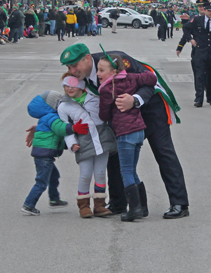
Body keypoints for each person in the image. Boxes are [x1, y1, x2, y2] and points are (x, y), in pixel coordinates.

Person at [61, 43, 189, 219]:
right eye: (69, 67)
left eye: (75, 65)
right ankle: (118, 202)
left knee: (163, 152)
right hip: (121, 116)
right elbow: (69, 101)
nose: (72, 70)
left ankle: (179, 203)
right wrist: (45, 125)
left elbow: (148, 81)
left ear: (88, 58)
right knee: (114, 155)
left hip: (150, 108)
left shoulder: (116, 61)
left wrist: (135, 100)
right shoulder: (81, 76)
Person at [97, 52, 157, 222]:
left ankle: (134, 209)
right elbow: (151, 78)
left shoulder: (107, 89)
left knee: (126, 172)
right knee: (132, 170)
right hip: (139, 131)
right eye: (97, 70)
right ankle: (143, 207)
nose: (98, 74)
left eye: (102, 70)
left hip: (125, 134)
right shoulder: (132, 78)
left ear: (114, 72)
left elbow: (103, 115)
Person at [57, 74, 116, 218]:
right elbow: (66, 128)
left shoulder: (95, 98)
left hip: (103, 139)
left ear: (82, 86)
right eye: (66, 85)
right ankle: (83, 206)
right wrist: (72, 144)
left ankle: (100, 205)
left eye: (73, 85)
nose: (69, 88)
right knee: (85, 175)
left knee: (101, 174)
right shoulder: (64, 106)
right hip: (83, 142)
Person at [22, 90, 89, 216]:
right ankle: (29, 204)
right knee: (41, 182)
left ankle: (54, 199)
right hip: (45, 156)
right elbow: (60, 129)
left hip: (43, 155)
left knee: (54, 176)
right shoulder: (51, 117)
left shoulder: (45, 117)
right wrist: (74, 128)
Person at [183, 1, 211, 107]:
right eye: (209, 11)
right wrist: (190, 39)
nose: (210, 13)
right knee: (200, 76)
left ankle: (210, 98)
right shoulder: (197, 20)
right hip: (200, 51)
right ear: (205, 10)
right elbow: (186, 28)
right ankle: (199, 99)